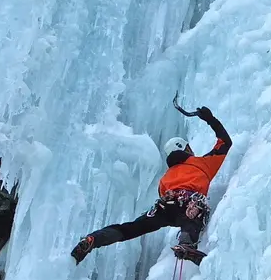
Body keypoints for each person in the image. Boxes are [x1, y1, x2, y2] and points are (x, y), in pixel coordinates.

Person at [71, 106, 232, 265]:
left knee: (131, 228)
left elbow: (164, 195)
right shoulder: (202, 163)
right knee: (194, 214)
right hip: (188, 201)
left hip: (165, 205)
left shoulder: (165, 178)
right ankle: (186, 244)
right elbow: (225, 142)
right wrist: (210, 119)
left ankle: (94, 239)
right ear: (185, 149)